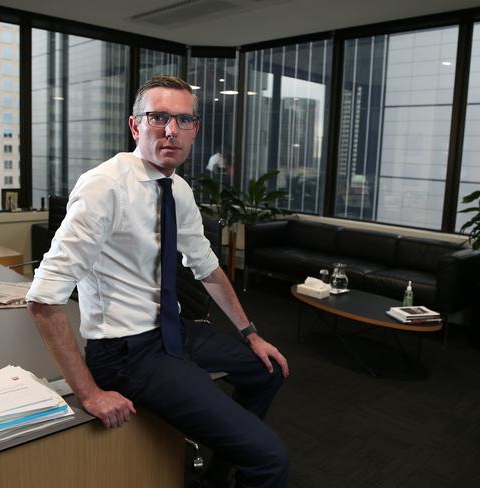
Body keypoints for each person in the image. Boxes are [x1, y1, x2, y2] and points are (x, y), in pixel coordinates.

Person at [26, 75, 289, 488]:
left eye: (183, 120)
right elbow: (43, 298)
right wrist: (90, 393)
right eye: (158, 117)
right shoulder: (104, 187)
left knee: (268, 370)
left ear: (194, 130)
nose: (171, 131)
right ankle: (247, 459)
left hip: (174, 332)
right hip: (126, 351)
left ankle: (216, 475)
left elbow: (206, 267)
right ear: (135, 126)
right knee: (271, 458)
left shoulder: (177, 189)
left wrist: (251, 333)